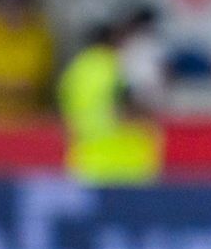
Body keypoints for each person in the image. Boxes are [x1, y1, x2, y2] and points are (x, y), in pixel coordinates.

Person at [56, 21, 164, 185]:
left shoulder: (74, 72)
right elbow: (125, 108)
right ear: (114, 39)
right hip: (124, 162)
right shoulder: (115, 67)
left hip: (86, 160)